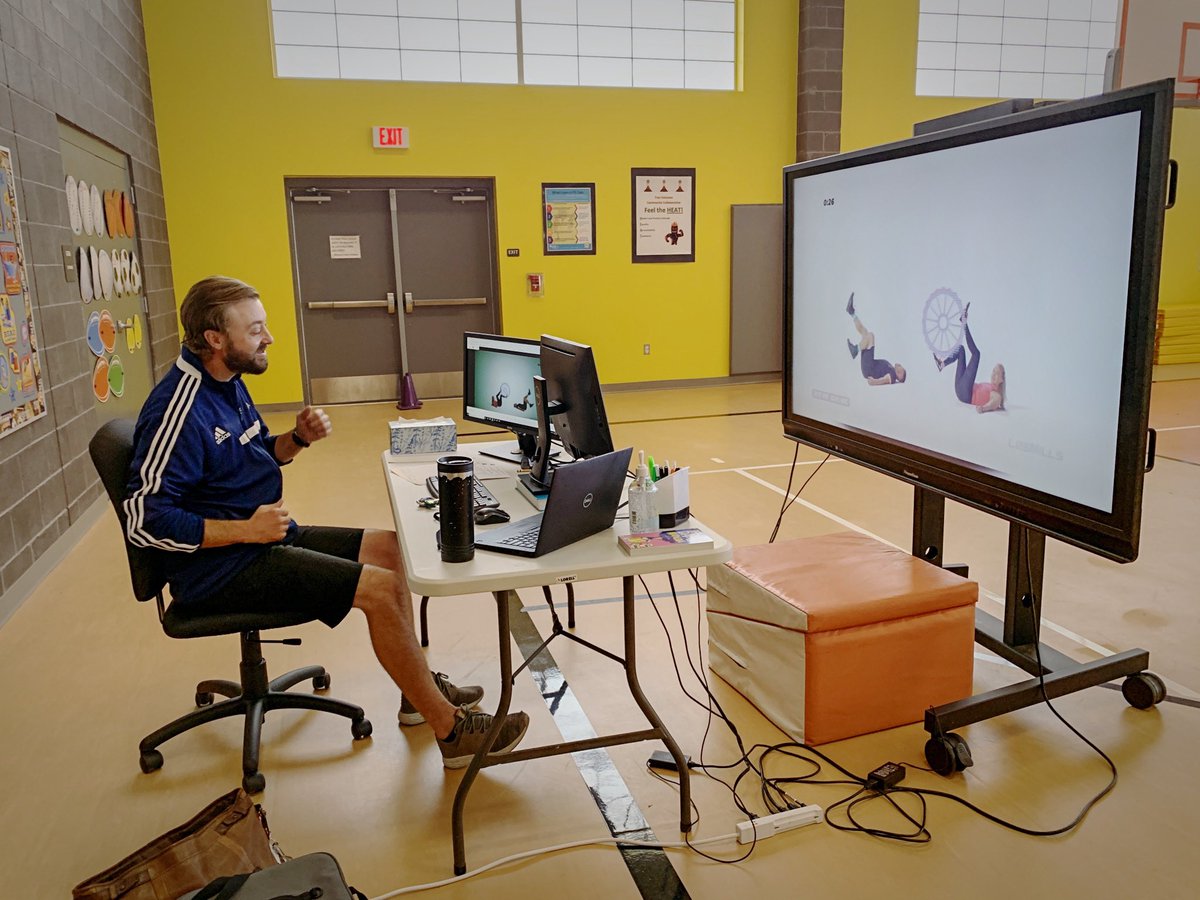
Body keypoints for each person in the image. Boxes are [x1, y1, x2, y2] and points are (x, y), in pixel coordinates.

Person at [123, 275, 528, 768]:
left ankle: (417, 695)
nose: (268, 338)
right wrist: (245, 530)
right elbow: (144, 520)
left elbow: (252, 456)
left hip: (262, 539)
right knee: (377, 589)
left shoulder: (226, 382)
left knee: (391, 549)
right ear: (215, 339)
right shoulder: (180, 407)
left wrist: (297, 438)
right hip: (219, 569)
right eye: (254, 330)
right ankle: (451, 732)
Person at [933, 303, 1005, 413]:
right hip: (961, 388)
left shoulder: (996, 394)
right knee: (961, 350)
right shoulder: (990, 386)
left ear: (1002, 380)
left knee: (976, 354)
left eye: (997, 374)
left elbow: (994, 403)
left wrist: (983, 408)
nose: (993, 375)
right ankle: (942, 364)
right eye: (993, 372)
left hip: (966, 394)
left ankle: (964, 323)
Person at [844, 293, 906, 385]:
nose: (901, 366)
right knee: (866, 333)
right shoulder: (891, 368)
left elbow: (885, 380)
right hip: (869, 365)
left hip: (869, 369)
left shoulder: (892, 376)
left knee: (871, 336)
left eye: (902, 369)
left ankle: (855, 350)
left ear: (899, 374)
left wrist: (874, 382)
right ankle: (852, 313)